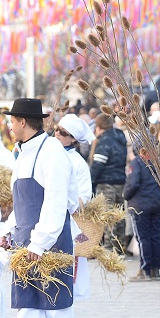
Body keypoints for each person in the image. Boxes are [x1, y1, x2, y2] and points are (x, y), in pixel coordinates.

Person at [1, 98, 78, 318]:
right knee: (28, 300)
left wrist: (40, 242)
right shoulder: (22, 154)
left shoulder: (52, 151)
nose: (10, 126)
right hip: (26, 240)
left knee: (55, 301)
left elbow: (57, 202)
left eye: (11, 121)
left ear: (22, 122)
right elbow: (20, 202)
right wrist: (7, 231)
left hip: (50, 240)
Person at [55, 114, 96, 301]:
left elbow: (84, 194)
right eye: (56, 129)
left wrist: (68, 204)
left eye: (62, 132)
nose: (57, 134)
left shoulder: (77, 162)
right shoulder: (50, 154)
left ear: (73, 139)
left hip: (68, 220)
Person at [124, 134, 160, 283]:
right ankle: (155, 270)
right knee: (155, 236)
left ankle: (145, 269)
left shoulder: (137, 162)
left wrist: (126, 195)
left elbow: (133, 183)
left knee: (143, 238)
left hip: (139, 204)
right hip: (156, 202)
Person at [90, 112, 128, 250]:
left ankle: (108, 247)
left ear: (99, 126)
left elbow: (98, 164)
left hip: (106, 183)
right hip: (120, 182)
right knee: (119, 215)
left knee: (107, 215)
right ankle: (120, 246)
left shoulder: (104, 141)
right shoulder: (120, 137)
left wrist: (91, 180)